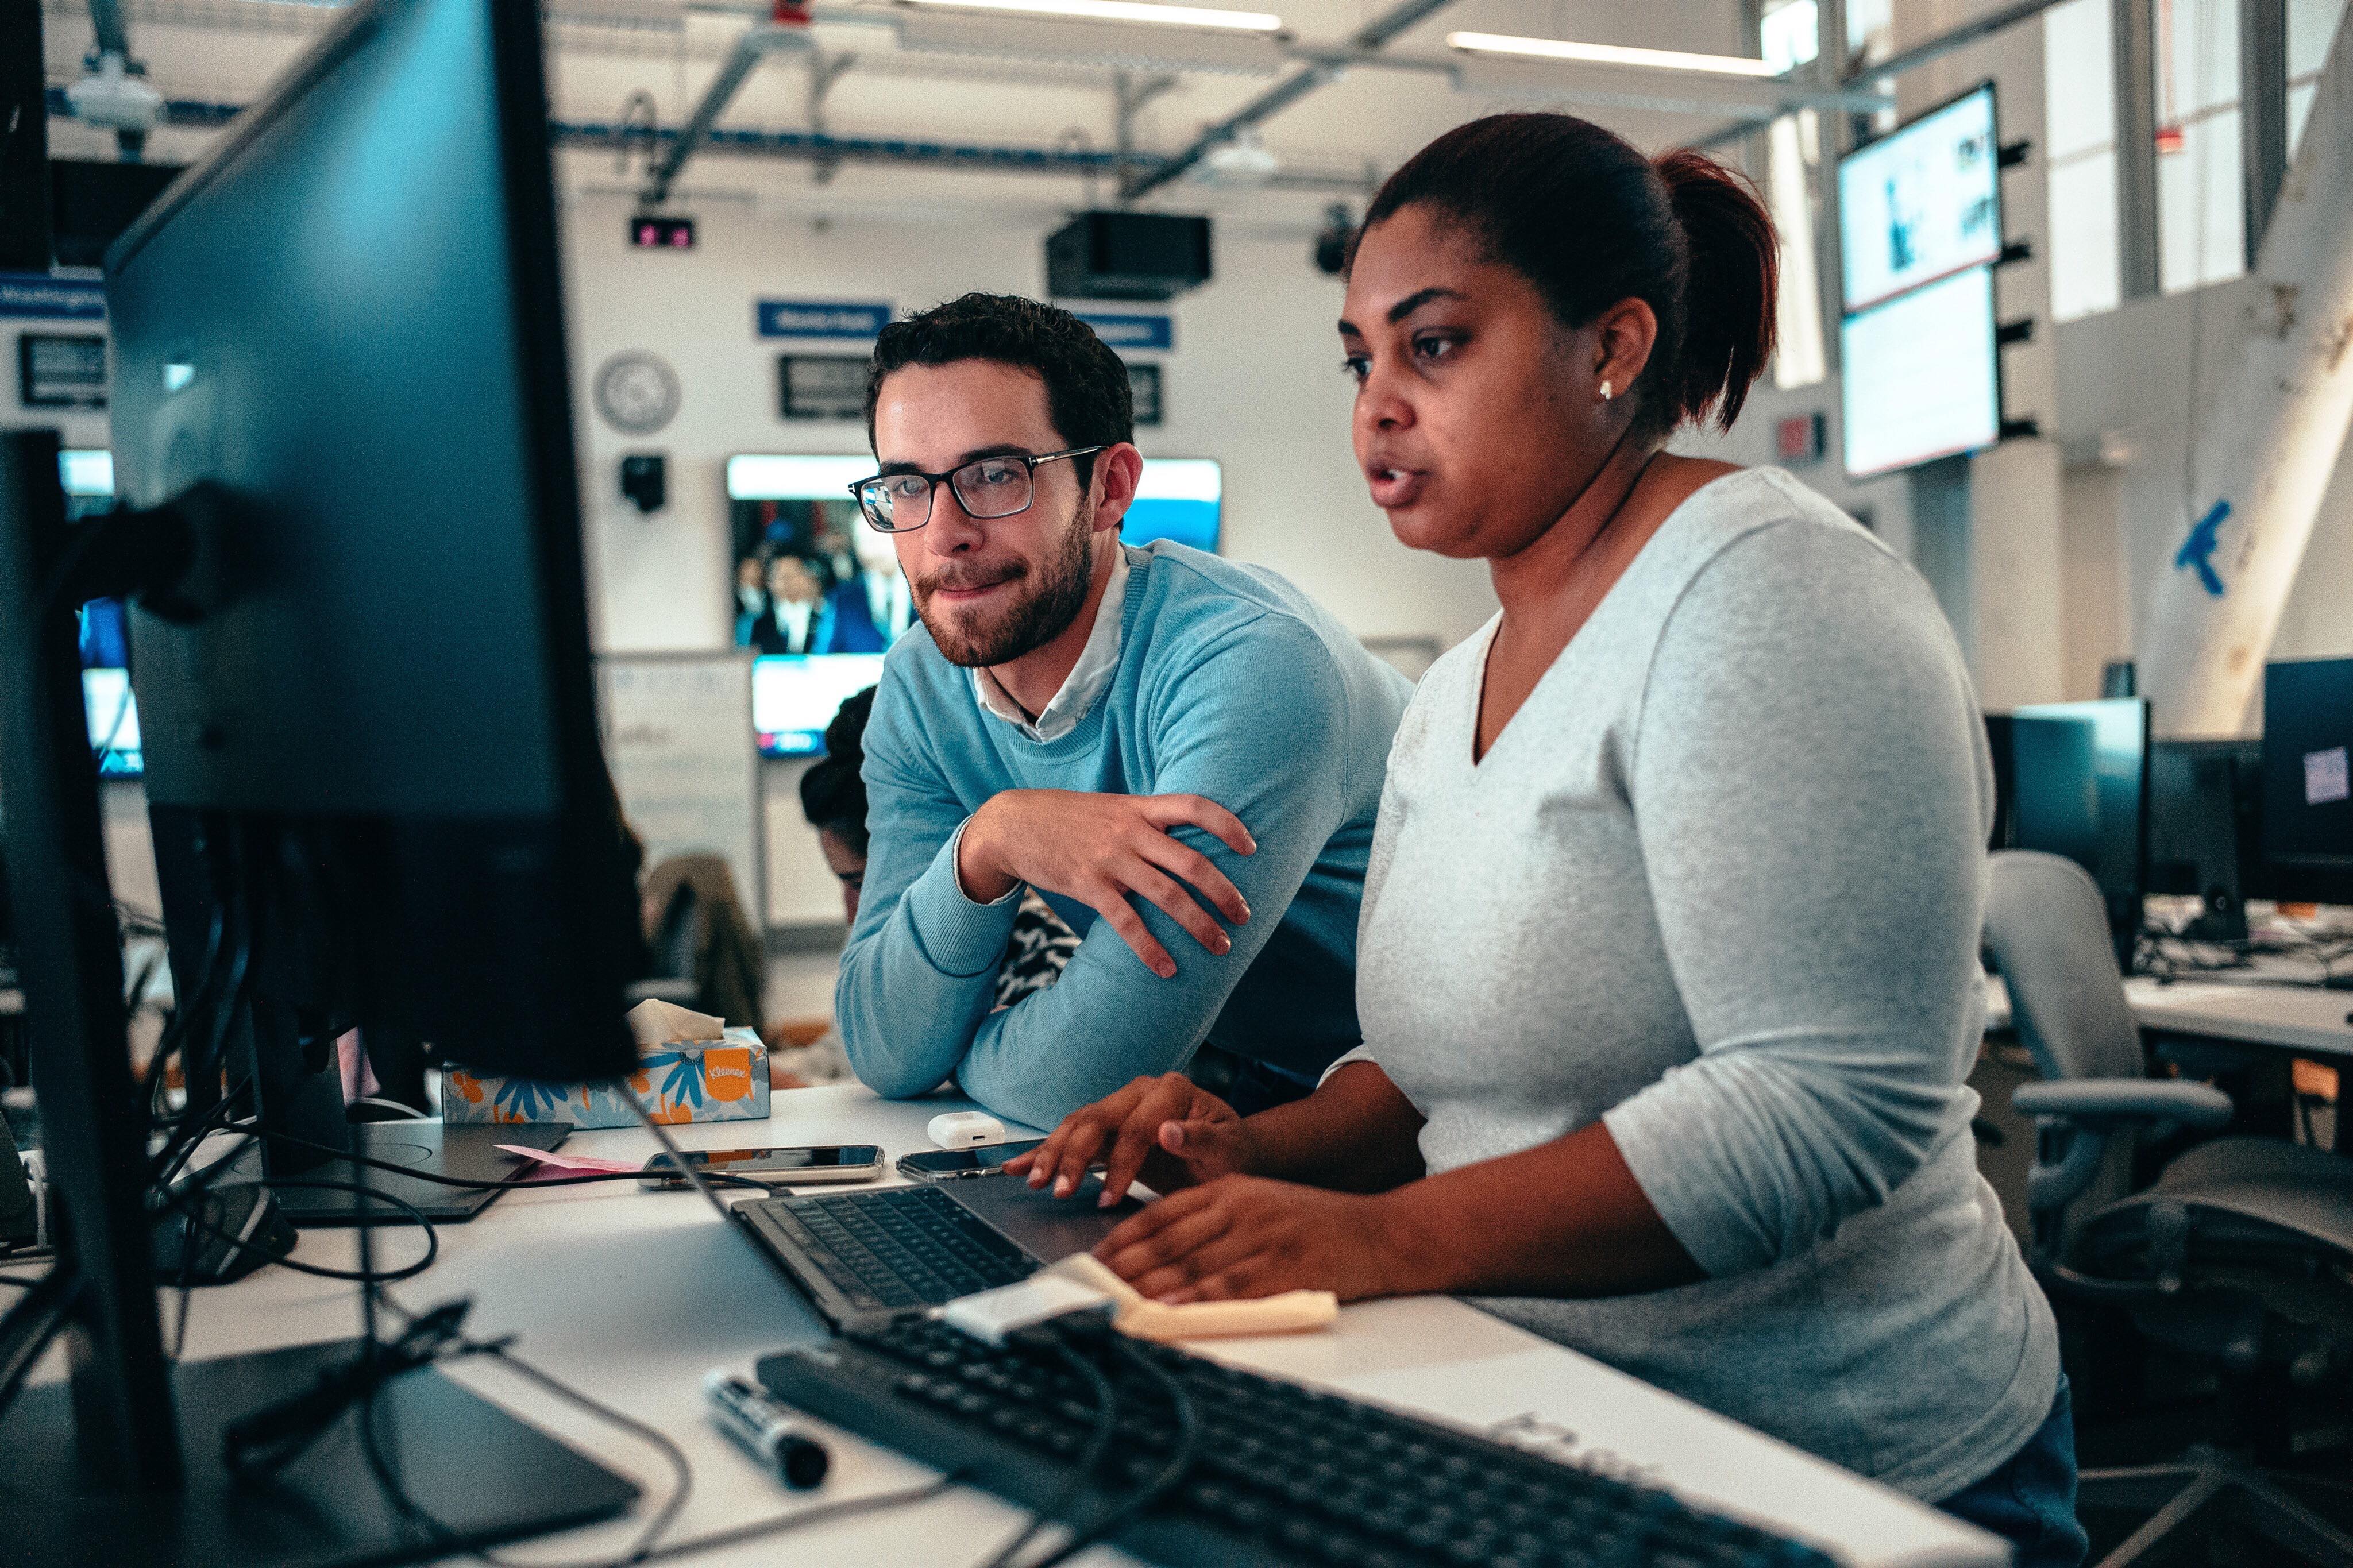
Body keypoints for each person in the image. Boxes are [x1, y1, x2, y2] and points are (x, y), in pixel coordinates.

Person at [1012, 115, 2084, 1565]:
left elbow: (1819, 1105)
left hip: (1848, 1470)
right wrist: (1249, 1154)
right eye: (1359, 360)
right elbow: (1436, 1071)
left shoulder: (1770, 600)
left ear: (1613, 347)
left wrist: (1381, 1240)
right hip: (1546, 1414)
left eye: (1433, 346)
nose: (1375, 410)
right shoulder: (1456, 684)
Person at [836, 292, 1413, 1131]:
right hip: (1241, 1096)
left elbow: (1082, 1075)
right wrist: (992, 838)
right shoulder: (921, 686)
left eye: (995, 476)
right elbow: (880, 1045)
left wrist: (960, 1055)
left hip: (1444, 1117)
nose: (943, 533)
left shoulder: (1254, 665)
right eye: (905, 486)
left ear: (1109, 488)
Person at [784, 685, 1079, 1086]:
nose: (851, 909)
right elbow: (844, 1050)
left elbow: (981, 1097)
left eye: (859, 882)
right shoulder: (876, 948)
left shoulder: (1042, 955)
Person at [821, 519, 916, 652]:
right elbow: (825, 655)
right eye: (863, 540)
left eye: (879, 538)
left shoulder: (928, 589)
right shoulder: (844, 598)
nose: (874, 549)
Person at [752, 554, 831, 655]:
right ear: (770, 582)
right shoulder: (759, 623)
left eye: (794, 574)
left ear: (808, 578)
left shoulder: (825, 616)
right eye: (782, 576)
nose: (788, 581)